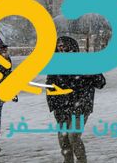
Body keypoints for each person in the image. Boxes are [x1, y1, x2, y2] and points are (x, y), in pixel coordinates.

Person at [46, 35, 107, 163]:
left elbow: (101, 82)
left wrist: (91, 74)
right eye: (59, 46)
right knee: (63, 138)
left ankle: (81, 160)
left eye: (64, 46)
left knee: (73, 135)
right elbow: (50, 85)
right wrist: (54, 106)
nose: (61, 49)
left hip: (81, 106)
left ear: (71, 47)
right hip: (62, 107)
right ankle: (67, 161)